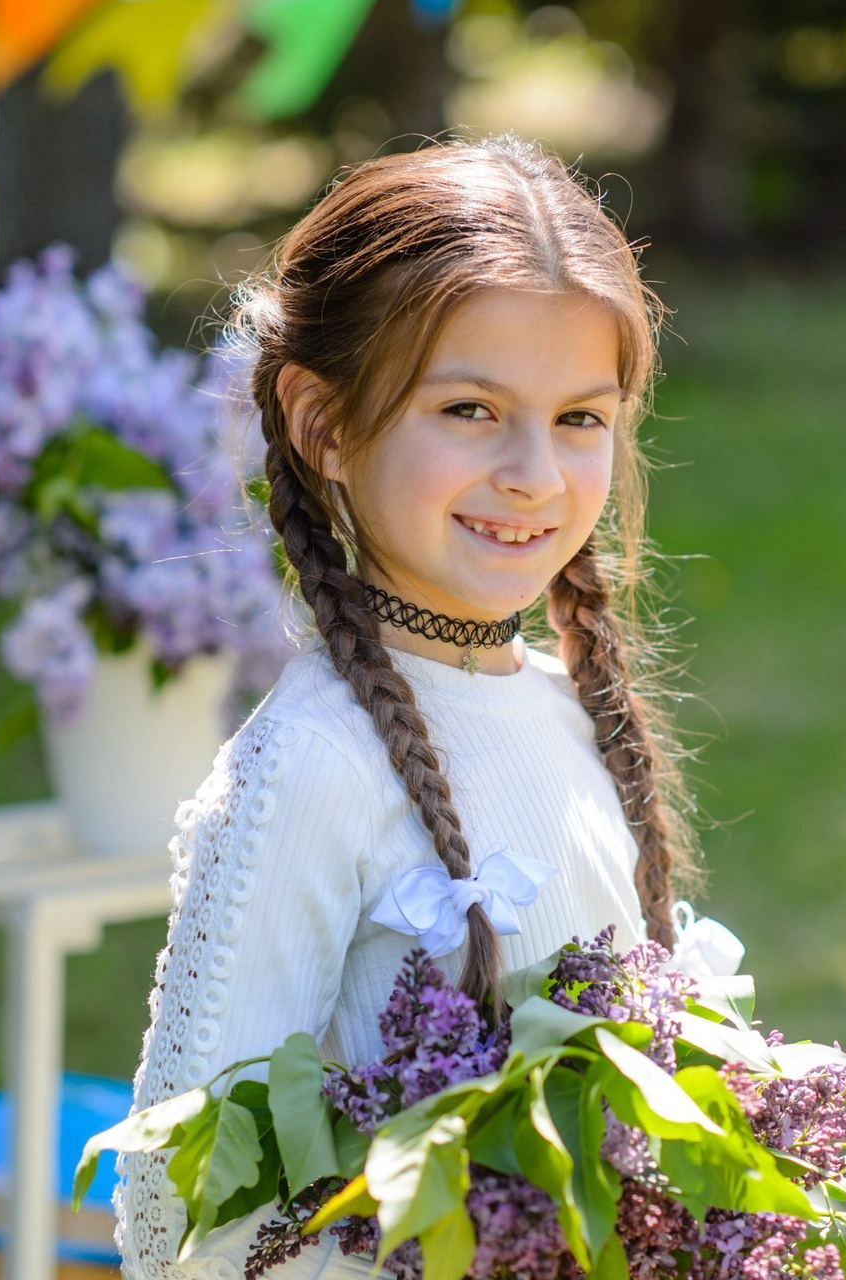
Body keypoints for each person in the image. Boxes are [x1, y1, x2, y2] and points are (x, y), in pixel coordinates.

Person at [116, 133, 702, 1279]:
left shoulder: (569, 714)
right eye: (471, 409)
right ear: (324, 423)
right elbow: (170, 1225)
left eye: (580, 417)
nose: (533, 471)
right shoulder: (313, 768)